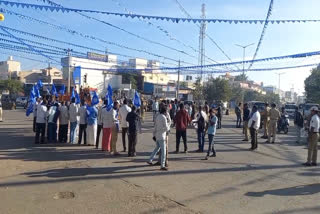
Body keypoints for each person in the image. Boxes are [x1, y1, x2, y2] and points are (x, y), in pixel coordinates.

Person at [147, 106, 171, 171]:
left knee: (157, 148)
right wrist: (169, 125)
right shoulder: (164, 117)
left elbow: (155, 126)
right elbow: (166, 128)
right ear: (165, 111)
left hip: (157, 135)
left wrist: (154, 134)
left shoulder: (158, 116)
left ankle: (150, 159)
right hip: (162, 136)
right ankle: (162, 165)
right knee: (163, 151)